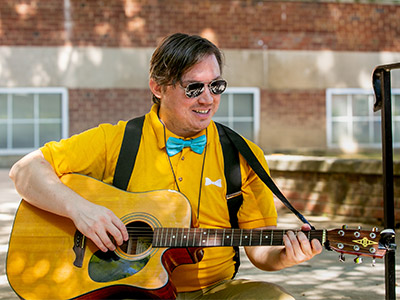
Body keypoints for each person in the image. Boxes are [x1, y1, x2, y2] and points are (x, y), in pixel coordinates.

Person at [9, 33, 322, 299]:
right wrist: (80, 210)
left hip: (218, 290)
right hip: (130, 291)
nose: (207, 99)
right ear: (158, 88)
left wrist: (285, 255)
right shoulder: (117, 140)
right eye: (193, 88)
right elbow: (25, 170)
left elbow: (260, 248)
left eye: (216, 86)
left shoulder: (242, 155)